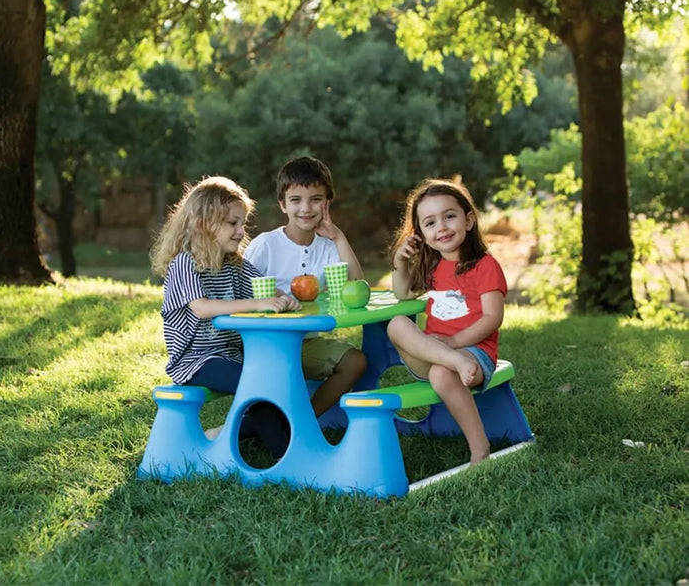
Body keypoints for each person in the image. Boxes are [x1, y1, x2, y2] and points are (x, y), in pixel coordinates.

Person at [150, 175, 300, 457]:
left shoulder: (233, 264)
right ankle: (287, 455)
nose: (241, 231)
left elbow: (264, 288)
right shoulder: (185, 263)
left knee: (277, 377)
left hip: (231, 353)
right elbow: (202, 308)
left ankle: (241, 432)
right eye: (233, 223)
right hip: (195, 360)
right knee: (259, 382)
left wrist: (285, 297)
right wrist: (258, 305)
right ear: (204, 223)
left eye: (242, 223)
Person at [386, 177, 507, 466]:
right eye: (430, 223)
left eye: (449, 216)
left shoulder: (485, 265)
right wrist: (400, 261)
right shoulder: (433, 266)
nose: (441, 227)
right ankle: (450, 362)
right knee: (396, 324)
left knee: (443, 373)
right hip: (432, 354)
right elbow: (402, 293)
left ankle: (479, 449)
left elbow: (493, 317)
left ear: (468, 220)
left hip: (473, 355)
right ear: (421, 235)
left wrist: (454, 346)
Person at [245, 156, 367, 417]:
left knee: (355, 361)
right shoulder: (265, 245)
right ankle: (272, 421)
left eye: (316, 199)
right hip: (268, 345)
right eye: (296, 200)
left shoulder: (329, 247)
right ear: (282, 204)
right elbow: (241, 289)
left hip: (307, 344)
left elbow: (357, 288)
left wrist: (337, 236)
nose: (306, 208)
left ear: (327, 203)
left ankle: (305, 419)